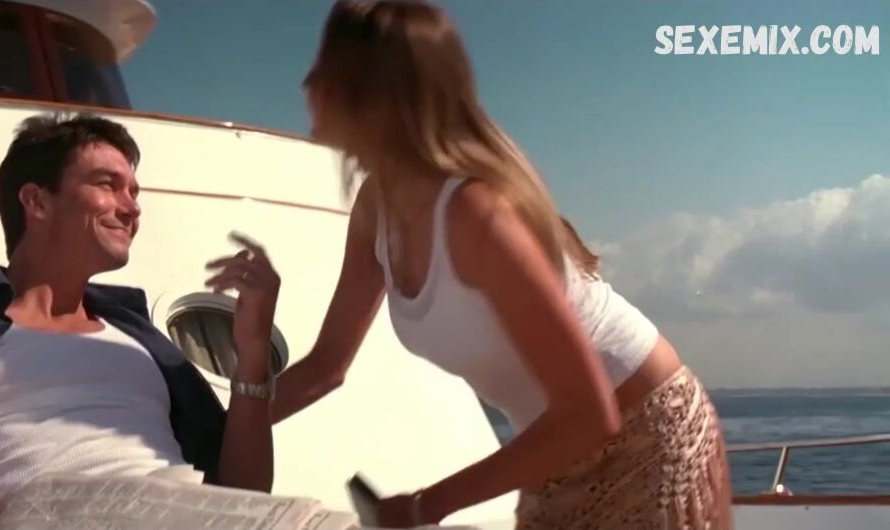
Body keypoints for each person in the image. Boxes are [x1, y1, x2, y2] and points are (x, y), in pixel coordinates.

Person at [258, 1, 734, 529]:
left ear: (370, 92)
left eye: (325, 68)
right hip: (555, 453)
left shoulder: (474, 215)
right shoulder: (377, 208)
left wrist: (423, 506)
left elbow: (589, 415)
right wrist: (230, 424)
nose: (307, 83)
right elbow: (326, 367)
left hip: (646, 442)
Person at [0, 113, 282, 530]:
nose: (132, 208)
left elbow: (245, 496)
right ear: (37, 201)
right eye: (108, 184)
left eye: (134, 192)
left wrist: (252, 354)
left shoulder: (144, 342)